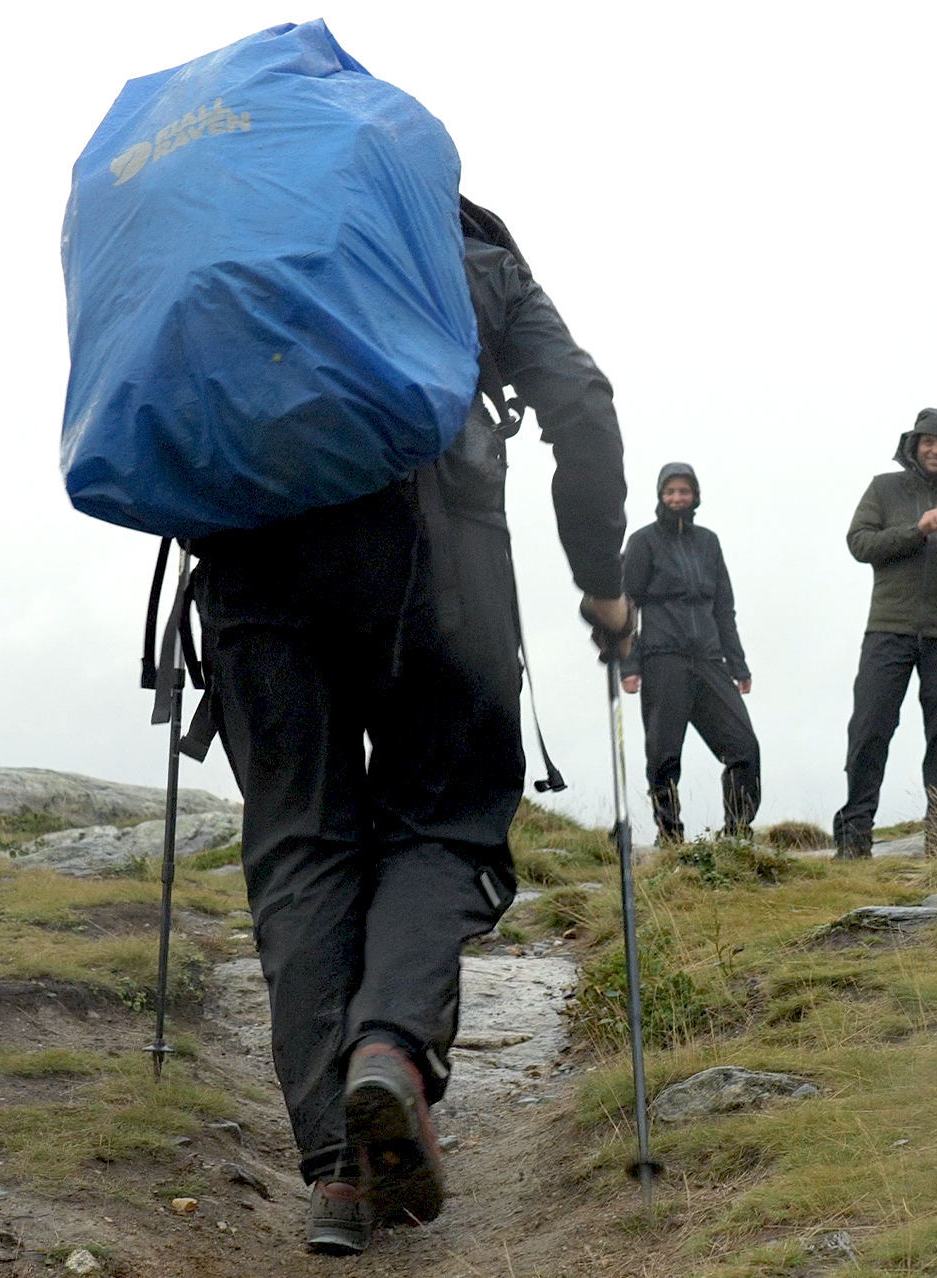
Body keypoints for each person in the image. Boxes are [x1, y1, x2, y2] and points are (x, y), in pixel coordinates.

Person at [192, 198, 627, 1253]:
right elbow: (580, 403)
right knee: (445, 816)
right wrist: (602, 583)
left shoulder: (236, 241)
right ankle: (387, 1050)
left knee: (302, 840)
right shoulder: (475, 254)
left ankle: (339, 1174)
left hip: (252, 564)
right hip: (438, 551)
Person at [835, 409, 937, 857]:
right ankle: (854, 837)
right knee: (869, 729)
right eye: (929, 441)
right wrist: (918, 529)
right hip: (888, 629)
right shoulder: (883, 487)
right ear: (914, 444)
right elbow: (859, 543)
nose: (936, 450)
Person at [621, 462, 759, 843]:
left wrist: (738, 664)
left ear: (695, 496)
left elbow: (724, 608)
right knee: (664, 754)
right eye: (671, 492)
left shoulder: (708, 542)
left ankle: (737, 834)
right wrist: (629, 664)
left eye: (685, 491)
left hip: (710, 660)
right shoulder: (643, 542)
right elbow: (626, 605)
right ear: (660, 496)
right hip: (663, 659)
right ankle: (670, 836)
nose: (678, 498)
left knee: (743, 746)